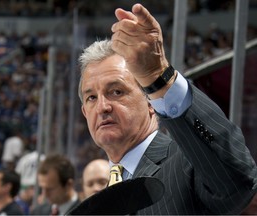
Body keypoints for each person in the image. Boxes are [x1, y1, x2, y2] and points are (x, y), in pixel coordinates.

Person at [77, 3, 257, 215]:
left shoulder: (188, 164)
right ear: (84, 113)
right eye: (91, 97)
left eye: (116, 92)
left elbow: (237, 182)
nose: (102, 107)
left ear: (151, 102)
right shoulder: (98, 201)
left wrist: (158, 77)